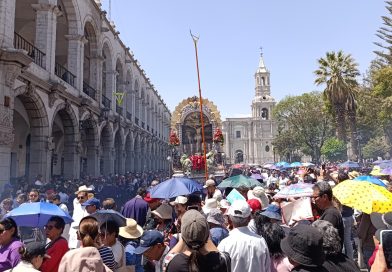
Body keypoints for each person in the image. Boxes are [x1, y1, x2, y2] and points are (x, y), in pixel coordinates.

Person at [166, 209, 231, 272]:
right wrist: (206, 235)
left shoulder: (172, 263)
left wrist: (184, 236)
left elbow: (167, 259)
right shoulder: (223, 260)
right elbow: (220, 255)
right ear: (207, 234)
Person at [217, 200, 271, 272]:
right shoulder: (261, 241)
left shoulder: (224, 244)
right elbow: (267, 268)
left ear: (230, 218)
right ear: (249, 218)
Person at [312, 181, 344, 247]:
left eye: (315, 197)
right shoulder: (328, 211)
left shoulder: (331, 214)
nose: (313, 200)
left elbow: (324, 238)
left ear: (324, 197)